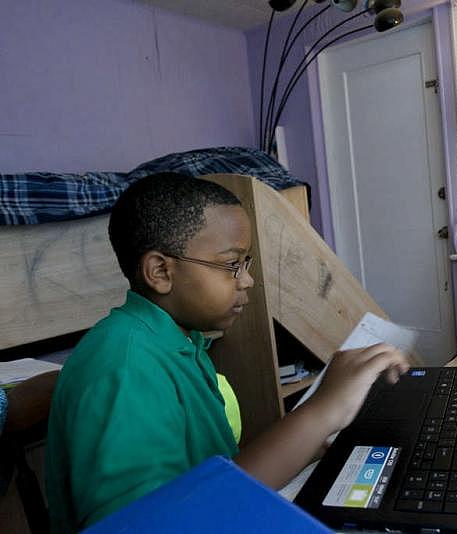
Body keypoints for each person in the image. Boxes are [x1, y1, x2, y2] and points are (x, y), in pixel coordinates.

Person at [45, 173, 410, 532]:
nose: (247, 279)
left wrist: (309, 444)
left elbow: (210, 476)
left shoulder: (183, 341)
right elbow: (147, 522)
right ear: (160, 271)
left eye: (245, 264)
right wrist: (321, 411)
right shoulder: (125, 367)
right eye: (231, 264)